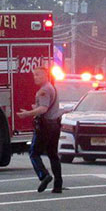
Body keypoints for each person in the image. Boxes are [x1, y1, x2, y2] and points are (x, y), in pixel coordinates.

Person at [17, 65, 63, 194]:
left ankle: (44, 175)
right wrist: (35, 107)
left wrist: (28, 113)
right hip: (55, 125)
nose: (35, 77)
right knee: (53, 154)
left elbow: (43, 108)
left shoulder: (44, 90)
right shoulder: (51, 88)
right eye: (34, 75)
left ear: (46, 76)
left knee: (34, 153)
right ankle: (58, 185)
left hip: (45, 126)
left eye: (39, 75)